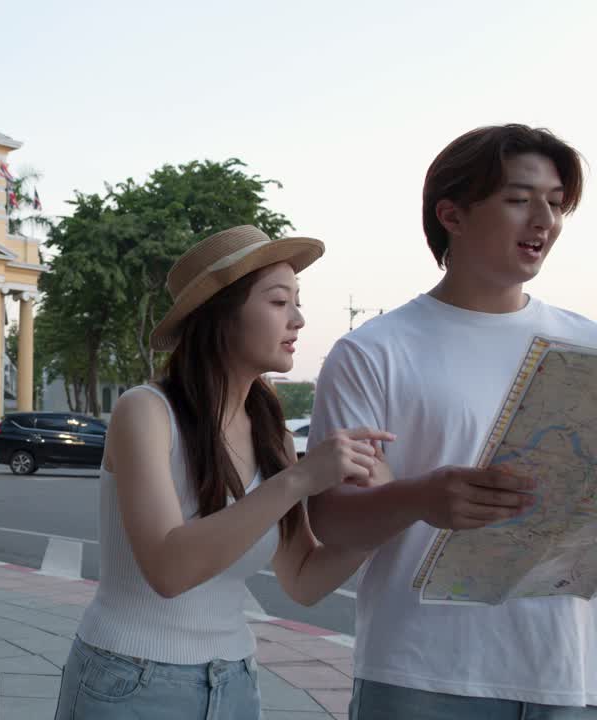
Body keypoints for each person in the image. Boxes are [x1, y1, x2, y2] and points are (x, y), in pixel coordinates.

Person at [307, 124, 592, 718]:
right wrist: (421, 498)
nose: (544, 218)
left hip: (567, 672)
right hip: (421, 674)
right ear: (452, 215)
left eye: (557, 202)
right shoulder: (375, 351)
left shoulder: (584, 348)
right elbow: (329, 519)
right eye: (519, 199)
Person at [55, 225, 394, 720]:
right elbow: (169, 571)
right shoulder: (146, 412)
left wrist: (383, 514)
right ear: (220, 316)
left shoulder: (269, 430)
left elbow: (303, 581)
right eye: (279, 302)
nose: (299, 319)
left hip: (234, 681)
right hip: (132, 679)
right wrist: (299, 479)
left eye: (297, 301)